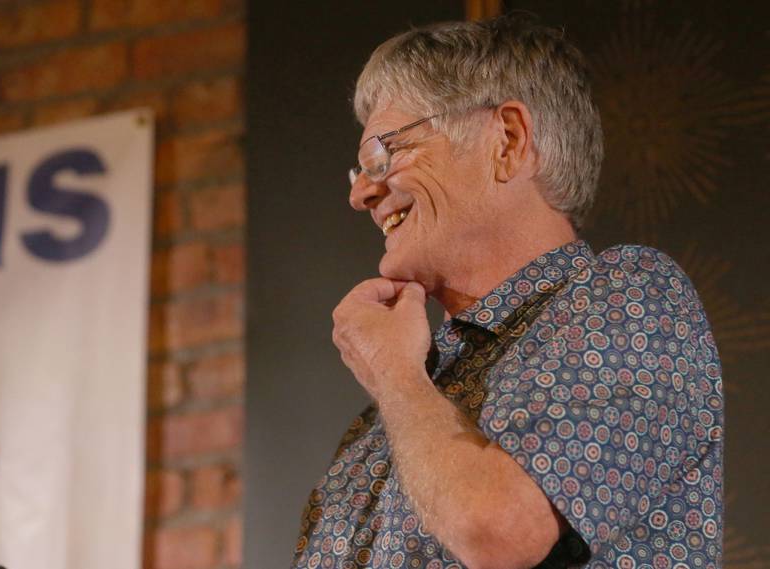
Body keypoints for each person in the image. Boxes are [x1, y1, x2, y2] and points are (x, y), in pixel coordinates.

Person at [291, 15, 723, 569]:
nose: (363, 194)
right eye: (361, 169)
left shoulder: (630, 296)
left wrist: (394, 376)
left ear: (508, 142)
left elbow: (499, 532)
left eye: (386, 152)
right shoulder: (395, 418)